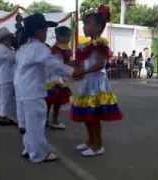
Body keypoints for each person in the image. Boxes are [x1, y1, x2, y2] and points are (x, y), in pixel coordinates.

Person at [13, 13, 78, 163]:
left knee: (30, 124)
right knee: (36, 124)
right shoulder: (39, 47)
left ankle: (29, 149)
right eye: (45, 30)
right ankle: (38, 154)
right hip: (33, 91)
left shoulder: (24, 47)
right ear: (37, 31)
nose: (46, 33)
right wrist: (73, 72)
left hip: (23, 91)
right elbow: (53, 64)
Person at [71, 5, 123, 157]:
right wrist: (77, 71)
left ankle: (98, 145)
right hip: (87, 82)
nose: (84, 27)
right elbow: (82, 63)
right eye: (84, 24)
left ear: (98, 27)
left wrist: (83, 71)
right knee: (87, 114)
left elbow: (100, 64)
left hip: (96, 84)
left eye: (88, 24)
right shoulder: (86, 45)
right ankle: (90, 140)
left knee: (93, 116)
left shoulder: (100, 43)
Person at [45, 26, 73, 130]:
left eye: (69, 36)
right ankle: (48, 120)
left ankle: (53, 120)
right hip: (54, 78)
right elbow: (58, 65)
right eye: (67, 36)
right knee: (50, 100)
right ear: (59, 36)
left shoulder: (63, 48)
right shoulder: (56, 49)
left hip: (61, 77)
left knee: (57, 101)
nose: (68, 39)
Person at [0, 27, 17, 126]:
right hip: (5, 78)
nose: (11, 40)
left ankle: (6, 116)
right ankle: (2, 117)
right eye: (9, 39)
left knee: (7, 98)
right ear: (3, 40)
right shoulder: (2, 49)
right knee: (5, 98)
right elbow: (14, 59)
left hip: (7, 77)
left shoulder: (7, 49)